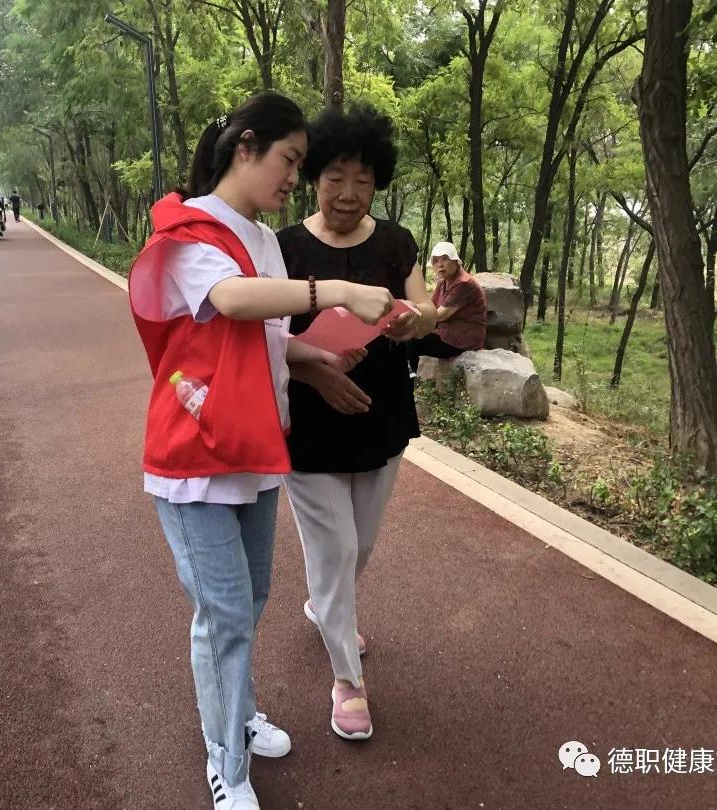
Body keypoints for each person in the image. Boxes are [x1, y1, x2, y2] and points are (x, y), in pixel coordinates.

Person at [128, 92, 394, 810]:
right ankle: (227, 763)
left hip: (252, 445)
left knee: (250, 600)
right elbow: (233, 300)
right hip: (194, 456)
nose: (294, 178)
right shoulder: (189, 230)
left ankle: (238, 713)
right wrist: (336, 290)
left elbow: (267, 336)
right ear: (246, 147)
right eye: (290, 160)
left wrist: (318, 357)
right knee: (223, 614)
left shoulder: (265, 241)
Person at [277, 104, 437, 742]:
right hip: (307, 421)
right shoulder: (284, 248)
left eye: (363, 180)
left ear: (378, 182)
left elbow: (427, 310)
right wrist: (313, 370)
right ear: (314, 176)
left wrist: (416, 320)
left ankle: (325, 605)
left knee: (360, 545)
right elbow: (260, 340)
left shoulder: (395, 242)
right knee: (337, 547)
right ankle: (347, 681)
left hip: (381, 414)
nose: (348, 193)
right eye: (335, 177)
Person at [406, 241, 488, 375]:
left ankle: (409, 376)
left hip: (462, 340)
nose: (440, 264)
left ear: (456, 261)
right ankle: (408, 374)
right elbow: (431, 308)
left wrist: (412, 313)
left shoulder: (464, 284)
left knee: (414, 340)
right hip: (446, 334)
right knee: (408, 336)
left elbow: (439, 315)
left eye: (445, 258)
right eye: (435, 261)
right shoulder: (443, 283)